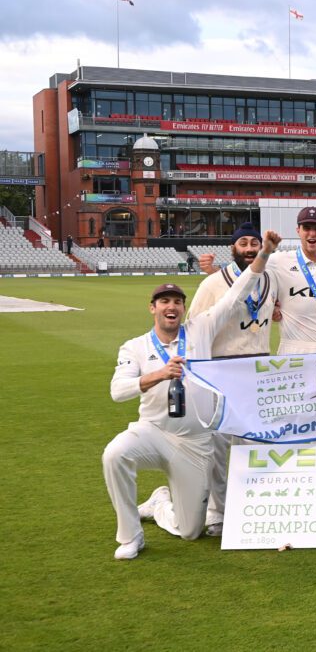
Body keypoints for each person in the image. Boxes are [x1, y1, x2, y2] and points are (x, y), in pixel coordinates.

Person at [102, 230, 282, 559]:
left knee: (190, 532)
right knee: (115, 454)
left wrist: (265, 253)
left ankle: (160, 504)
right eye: (164, 302)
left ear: (185, 308)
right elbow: (117, 392)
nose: (171, 307)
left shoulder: (201, 328)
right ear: (152, 308)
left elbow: (237, 293)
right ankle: (130, 536)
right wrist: (157, 374)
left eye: (177, 302)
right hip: (153, 432)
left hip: (195, 443)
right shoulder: (135, 346)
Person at [185, 221, 278, 537]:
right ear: (233, 248)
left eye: (254, 243)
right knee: (220, 447)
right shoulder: (212, 284)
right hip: (222, 371)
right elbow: (194, 327)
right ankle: (217, 513)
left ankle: (252, 507)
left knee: (255, 444)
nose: (250, 249)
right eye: (244, 244)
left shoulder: (270, 279)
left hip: (258, 370)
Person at [265, 207, 316, 353]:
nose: (312, 233)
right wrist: (270, 306)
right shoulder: (280, 260)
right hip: (292, 348)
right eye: (306, 228)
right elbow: (250, 276)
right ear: (298, 231)